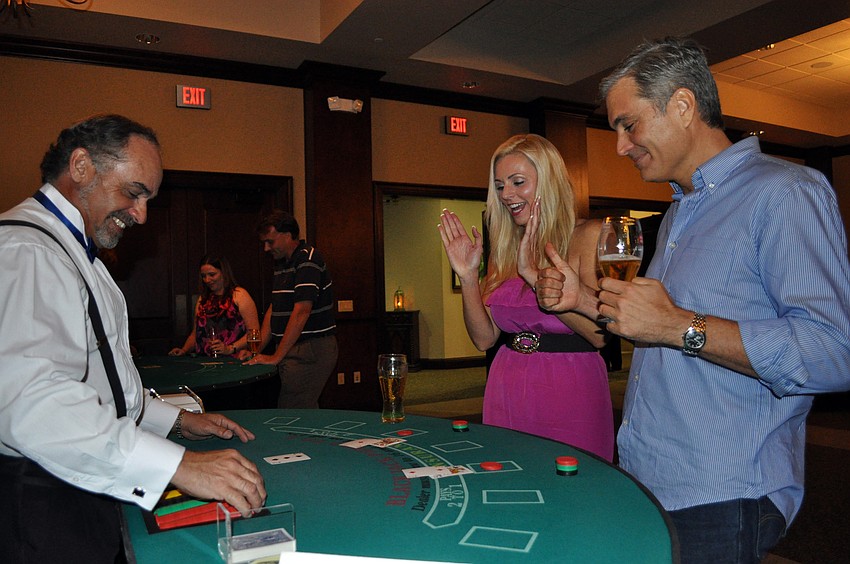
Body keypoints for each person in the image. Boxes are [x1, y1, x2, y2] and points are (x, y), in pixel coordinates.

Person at [535, 37, 850, 563]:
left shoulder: (787, 191)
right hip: (653, 478)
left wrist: (681, 325)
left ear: (682, 106)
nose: (620, 146)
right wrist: (584, 301)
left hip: (724, 493)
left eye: (627, 125)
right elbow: (655, 326)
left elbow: (833, 352)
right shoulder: (681, 212)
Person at [0, 114, 266, 563]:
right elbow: (35, 405)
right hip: (45, 494)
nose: (141, 215)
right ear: (81, 166)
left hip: (79, 477)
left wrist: (175, 422)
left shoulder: (78, 255)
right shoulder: (29, 250)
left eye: (147, 199)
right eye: (133, 192)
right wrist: (179, 464)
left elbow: (101, 383)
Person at [438, 134, 614, 461]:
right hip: (506, 384)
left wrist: (536, 279)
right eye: (500, 186)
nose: (507, 194)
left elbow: (599, 336)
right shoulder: (505, 248)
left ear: (548, 181)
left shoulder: (588, 235)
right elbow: (484, 338)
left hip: (569, 388)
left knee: (574, 490)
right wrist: (467, 277)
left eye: (518, 182)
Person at [242, 210, 338, 409]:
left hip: (310, 348)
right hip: (293, 347)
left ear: (287, 235)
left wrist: (277, 356)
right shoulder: (283, 263)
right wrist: (257, 350)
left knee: (293, 411)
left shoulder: (308, 259)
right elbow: (274, 309)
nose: (266, 248)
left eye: (270, 241)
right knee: (300, 409)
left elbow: (302, 311)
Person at [169, 254, 260, 357]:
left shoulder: (239, 295)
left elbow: (254, 333)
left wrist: (230, 348)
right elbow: (196, 334)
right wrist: (184, 350)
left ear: (224, 273)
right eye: (204, 276)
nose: (207, 280)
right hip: (206, 362)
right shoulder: (202, 300)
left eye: (212, 275)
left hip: (234, 359)